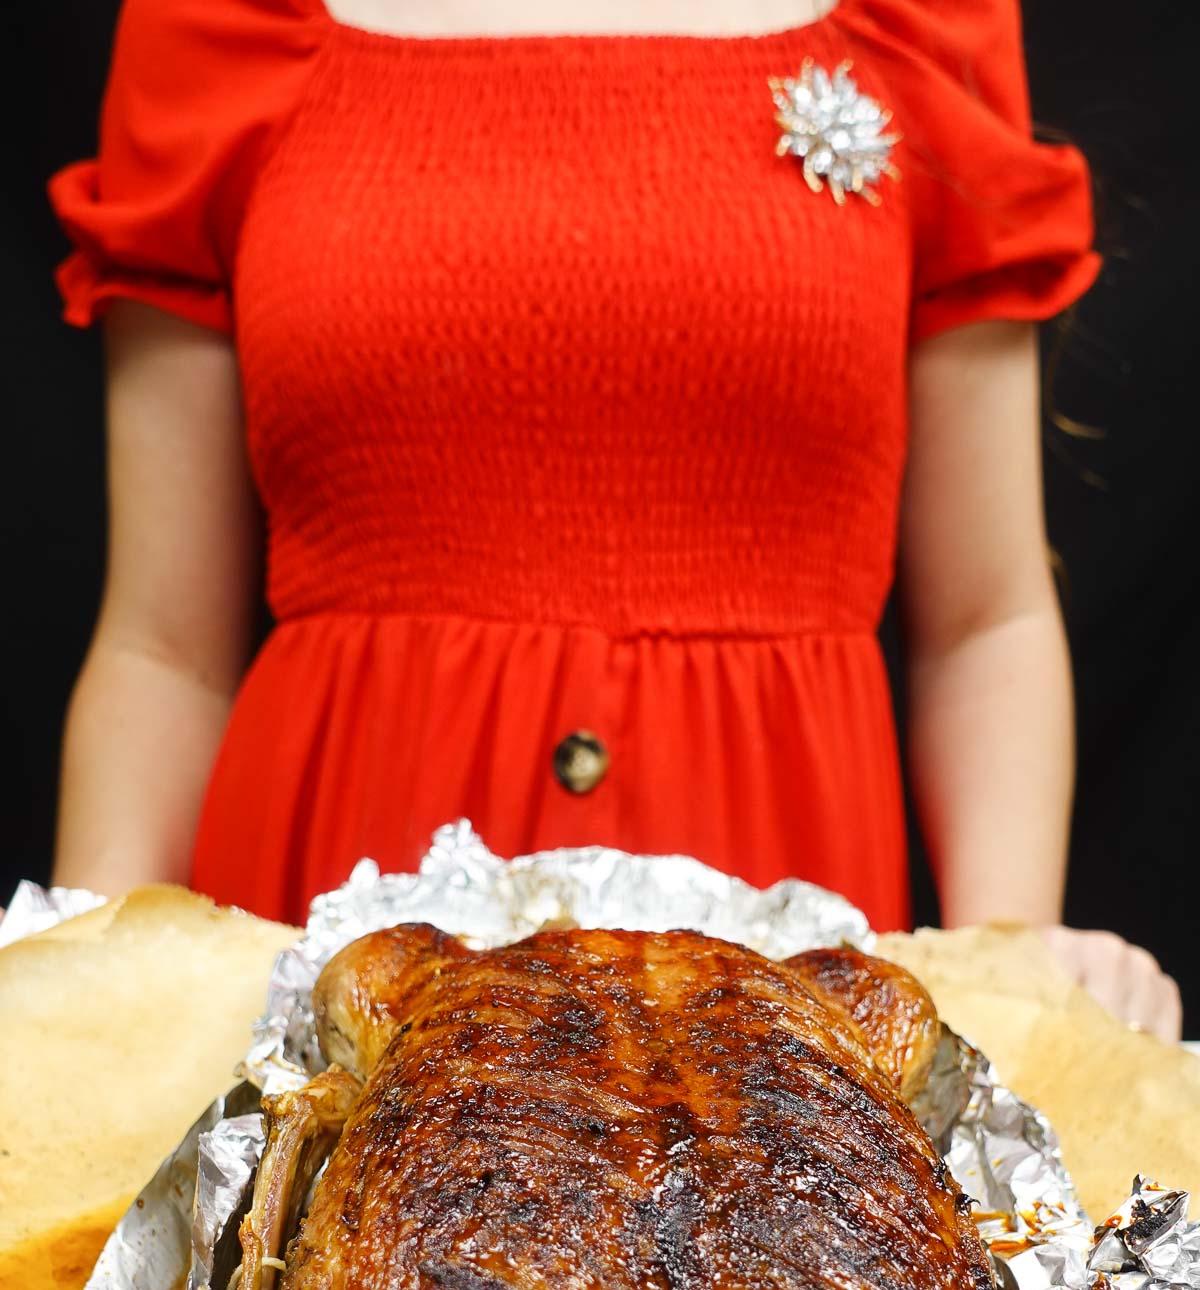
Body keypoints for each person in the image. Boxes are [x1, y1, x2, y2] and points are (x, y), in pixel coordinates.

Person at [46, 0, 1182, 1037]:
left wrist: (1011, 983)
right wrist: (68, 1015)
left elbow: (984, 624)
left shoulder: (917, 27)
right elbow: (166, 652)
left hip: (779, 984)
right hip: (319, 942)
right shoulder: (224, 30)